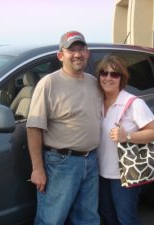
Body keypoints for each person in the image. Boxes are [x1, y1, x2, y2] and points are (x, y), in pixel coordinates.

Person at [26, 31, 101, 225]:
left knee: (88, 218)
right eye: (72, 50)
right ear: (61, 55)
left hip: (91, 160)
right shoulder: (49, 84)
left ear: (88, 53)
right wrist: (37, 169)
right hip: (61, 164)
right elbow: (34, 128)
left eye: (81, 49)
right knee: (51, 219)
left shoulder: (93, 83)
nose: (77, 54)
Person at [96, 55, 154, 225]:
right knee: (107, 215)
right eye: (104, 73)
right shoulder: (97, 101)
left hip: (124, 175)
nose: (108, 77)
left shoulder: (133, 103)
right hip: (101, 172)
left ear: (121, 78)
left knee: (126, 219)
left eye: (114, 74)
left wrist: (127, 136)